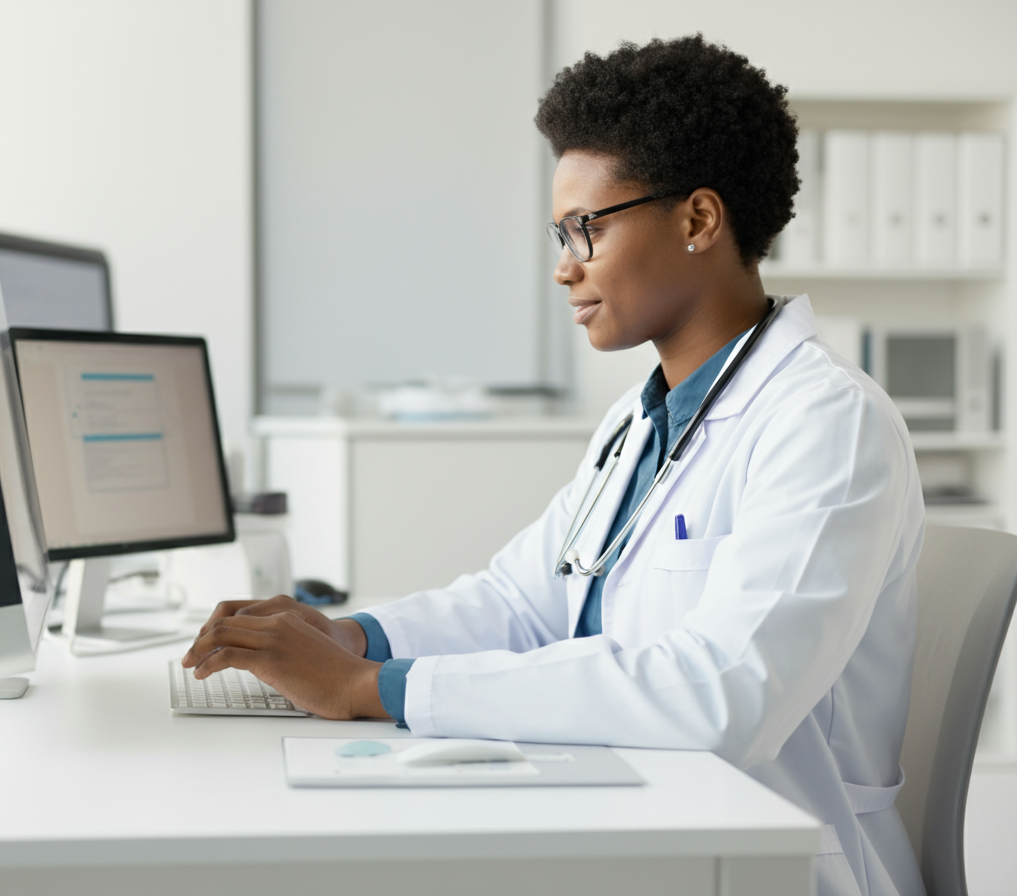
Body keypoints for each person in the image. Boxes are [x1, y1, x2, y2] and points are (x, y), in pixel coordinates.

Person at [183, 34, 925, 896]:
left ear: (698, 220)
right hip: (635, 816)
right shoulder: (638, 421)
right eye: (559, 231)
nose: (564, 265)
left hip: (767, 860)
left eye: (587, 228)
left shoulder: (825, 421)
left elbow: (725, 696)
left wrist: (371, 687)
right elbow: (522, 600)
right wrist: (351, 636)